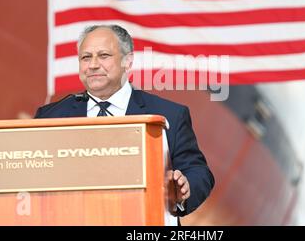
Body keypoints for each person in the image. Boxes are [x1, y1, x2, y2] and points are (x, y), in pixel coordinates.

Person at [35, 24, 214, 218]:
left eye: (104, 56)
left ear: (127, 61)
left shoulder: (169, 114)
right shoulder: (49, 117)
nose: (93, 64)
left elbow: (198, 172)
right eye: (86, 57)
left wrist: (183, 189)